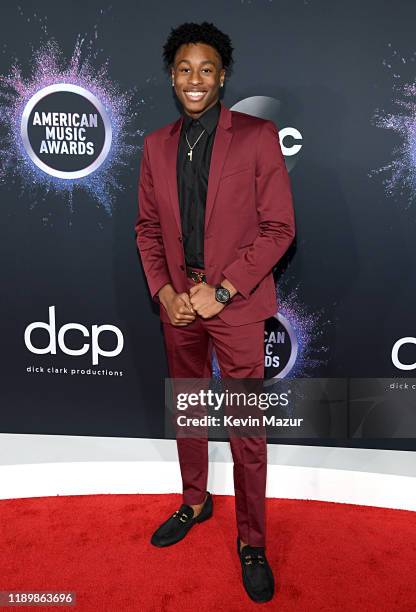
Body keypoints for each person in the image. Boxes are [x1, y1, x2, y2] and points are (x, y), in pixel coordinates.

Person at [135, 21, 295, 604]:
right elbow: (148, 230)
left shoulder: (256, 135)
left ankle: (252, 540)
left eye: (206, 68)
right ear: (171, 77)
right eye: (184, 69)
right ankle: (194, 500)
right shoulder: (155, 145)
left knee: (246, 430)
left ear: (223, 75)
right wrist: (164, 293)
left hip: (236, 306)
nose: (195, 79)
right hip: (178, 308)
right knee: (189, 412)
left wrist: (222, 290)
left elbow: (280, 228)